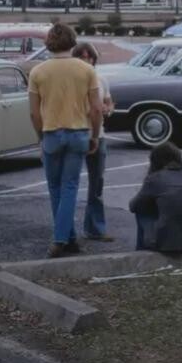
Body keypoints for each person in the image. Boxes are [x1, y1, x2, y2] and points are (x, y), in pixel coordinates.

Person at [29, 24, 102, 258]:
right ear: (72, 42)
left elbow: (34, 113)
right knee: (70, 186)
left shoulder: (38, 72)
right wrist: (95, 135)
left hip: (51, 133)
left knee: (55, 188)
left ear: (49, 43)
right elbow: (97, 109)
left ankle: (60, 239)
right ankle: (67, 238)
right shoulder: (86, 70)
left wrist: (41, 137)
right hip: (79, 132)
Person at [72, 42, 114, 242]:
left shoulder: (101, 79)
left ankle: (95, 228)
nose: (86, 60)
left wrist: (107, 109)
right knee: (70, 183)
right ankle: (67, 230)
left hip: (99, 134)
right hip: (77, 133)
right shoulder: (72, 81)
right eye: (82, 57)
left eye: (89, 57)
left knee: (97, 183)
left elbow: (108, 102)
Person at [128, 142, 182, 253]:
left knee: (141, 211)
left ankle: (141, 252)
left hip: (164, 244)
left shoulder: (155, 178)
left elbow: (133, 206)